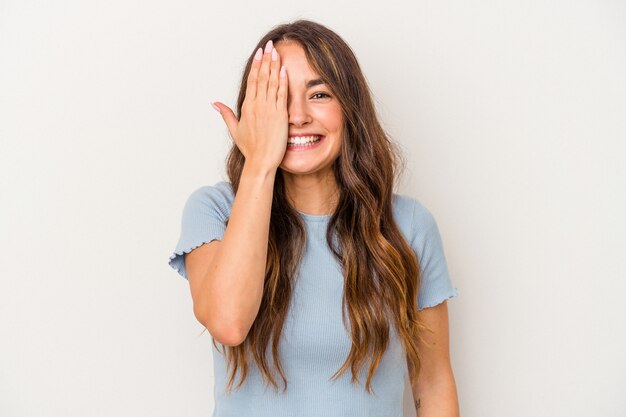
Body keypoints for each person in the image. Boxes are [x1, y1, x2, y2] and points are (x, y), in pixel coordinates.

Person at [168, 19, 460, 417]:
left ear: (350, 108)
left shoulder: (407, 226)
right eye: (277, 99)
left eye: (319, 94)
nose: (297, 116)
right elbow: (228, 323)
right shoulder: (215, 211)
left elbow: (433, 382)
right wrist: (259, 165)